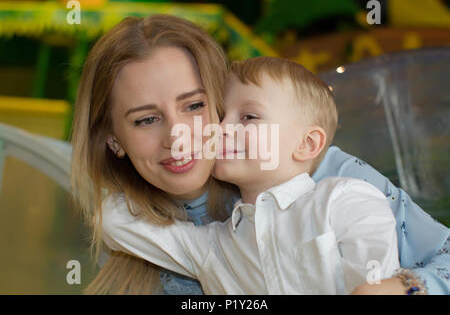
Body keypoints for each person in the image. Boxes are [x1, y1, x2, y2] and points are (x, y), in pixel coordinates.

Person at [70, 14, 450, 295]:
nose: (178, 136)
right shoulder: (147, 241)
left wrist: (405, 287)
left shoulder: (330, 177)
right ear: (113, 140)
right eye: (147, 120)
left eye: (194, 105)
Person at [102, 56, 404, 294]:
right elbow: (113, 220)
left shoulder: (346, 200)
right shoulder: (212, 247)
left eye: (248, 117)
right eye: (220, 116)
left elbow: (375, 288)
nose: (218, 129)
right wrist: (128, 150)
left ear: (307, 144)